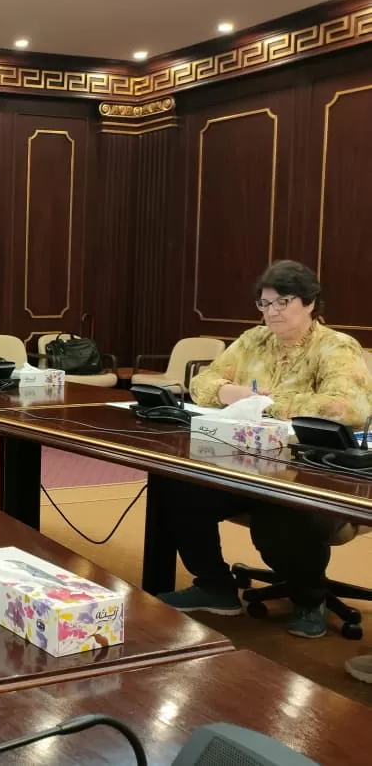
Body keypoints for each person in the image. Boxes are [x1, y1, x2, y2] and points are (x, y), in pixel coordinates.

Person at [159, 260, 372, 638]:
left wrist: (268, 403)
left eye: (282, 302)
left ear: (310, 302)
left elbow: (348, 408)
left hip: (307, 472)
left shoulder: (336, 347)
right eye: (265, 303)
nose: (271, 312)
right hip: (245, 460)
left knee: (279, 516)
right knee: (179, 486)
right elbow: (202, 382)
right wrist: (230, 392)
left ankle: (310, 598)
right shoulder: (252, 340)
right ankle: (214, 585)